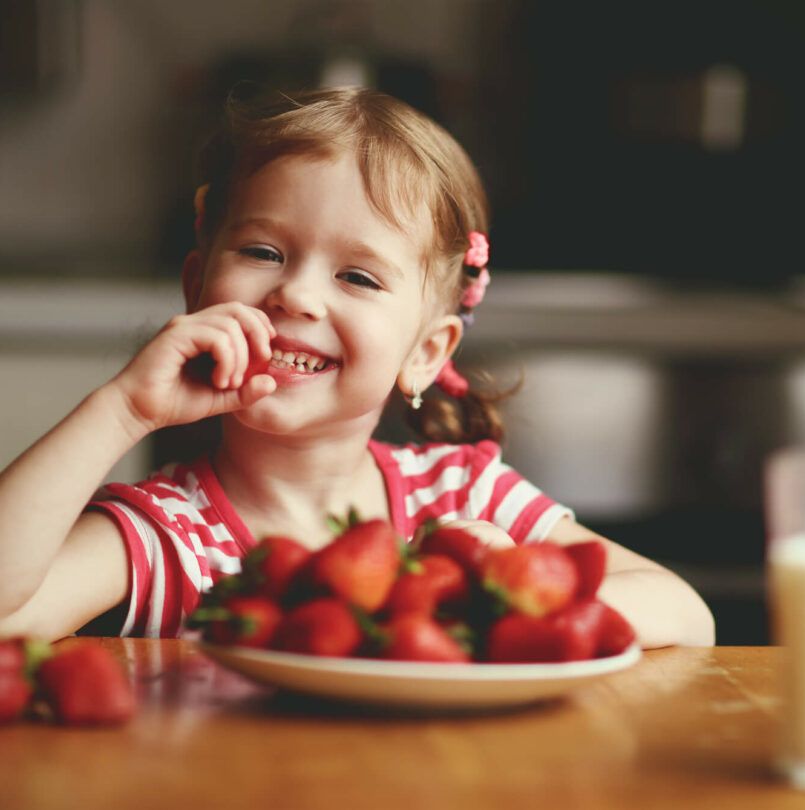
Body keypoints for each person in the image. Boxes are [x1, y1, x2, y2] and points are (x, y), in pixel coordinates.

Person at [0, 87, 714, 648]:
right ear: (196, 289)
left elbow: (685, 613)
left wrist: (502, 591)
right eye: (263, 253)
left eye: (359, 278)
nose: (297, 294)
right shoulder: (170, 536)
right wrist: (122, 409)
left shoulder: (463, 498)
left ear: (425, 353)